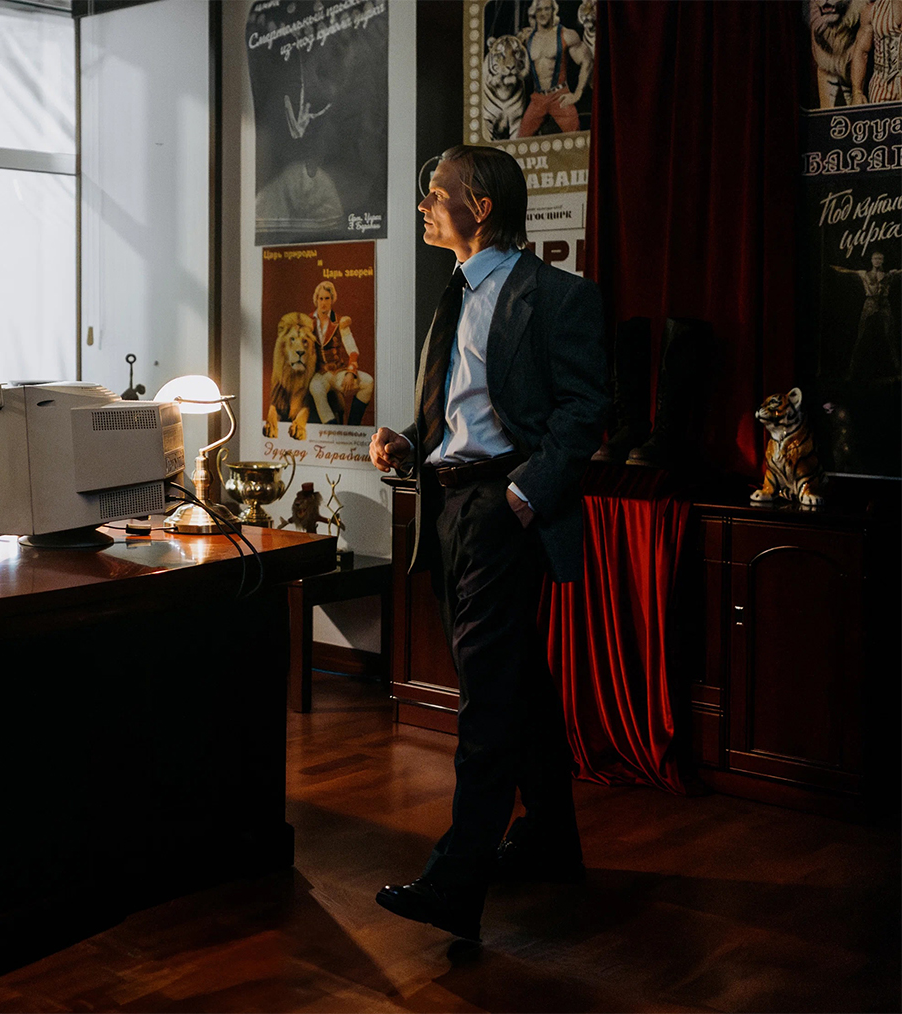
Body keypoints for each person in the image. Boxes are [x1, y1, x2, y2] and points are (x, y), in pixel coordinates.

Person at [367, 145, 608, 942]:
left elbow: (584, 411)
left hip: (504, 511)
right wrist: (410, 443)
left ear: (482, 208)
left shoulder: (560, 296)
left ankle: (457, 880)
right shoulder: (454, 291)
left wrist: (522, 496)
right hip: (449, 505)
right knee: (517, 683)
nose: (424, 205)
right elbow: (461, 411)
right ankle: (550, 843)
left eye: (436, 193)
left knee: (488, 699)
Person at [517, 0, 593, 137]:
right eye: (539, 10)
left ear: (553, 11)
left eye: (547, 9)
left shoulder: (566, 35)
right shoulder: (527, 38)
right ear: (534, 13)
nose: (543, 13)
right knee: (520, 139)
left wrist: (577, 94)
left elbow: (587, 61)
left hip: (559, 96)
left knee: (575, 136)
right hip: (538, 98)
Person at [306, 280, 374, 425]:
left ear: (332, 300)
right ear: (316, 300)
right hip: (320, 374)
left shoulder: (340, 321)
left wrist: (350, 372)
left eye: (327, 298)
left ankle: (353, 426)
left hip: (338, 372)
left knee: (368, 382)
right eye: (320, 298)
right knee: (316, 388)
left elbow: (352, 349)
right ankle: (331, 427)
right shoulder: (308, 321)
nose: (323, 302)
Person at [831, 252, 902, 380]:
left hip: (883, 304)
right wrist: (831, 266)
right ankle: (851, 371)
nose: (877, 261)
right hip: (870, 303)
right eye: (875, 258)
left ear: (882, 260)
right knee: (861, 336)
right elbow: (846, 271)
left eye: (879, 258)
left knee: (890, 336)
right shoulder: (864, 273)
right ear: (871, 260)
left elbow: (899, 272)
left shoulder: (888, 274)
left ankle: (898, 370)